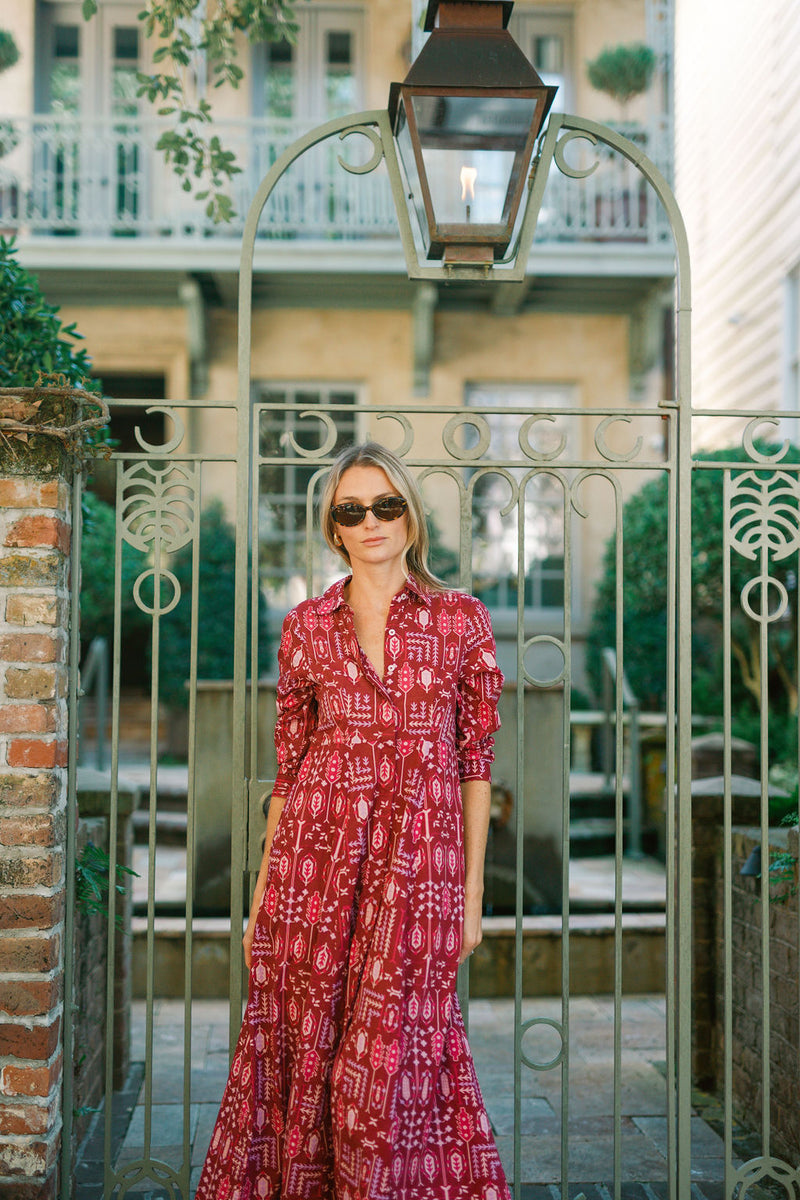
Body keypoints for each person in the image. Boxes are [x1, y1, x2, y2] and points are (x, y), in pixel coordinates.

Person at [196, 441, 510, 1200]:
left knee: (405, 1051)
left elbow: (475, 769)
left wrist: (470, 902)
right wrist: (261, 896)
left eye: (385, 505)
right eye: (351, 510)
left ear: (409, 515)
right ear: (333, 529)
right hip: (314, 869)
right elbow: (290, 771)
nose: (371, 521)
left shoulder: (461, 620)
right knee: (305, 1048)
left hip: (419, 875)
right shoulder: (306, 625)